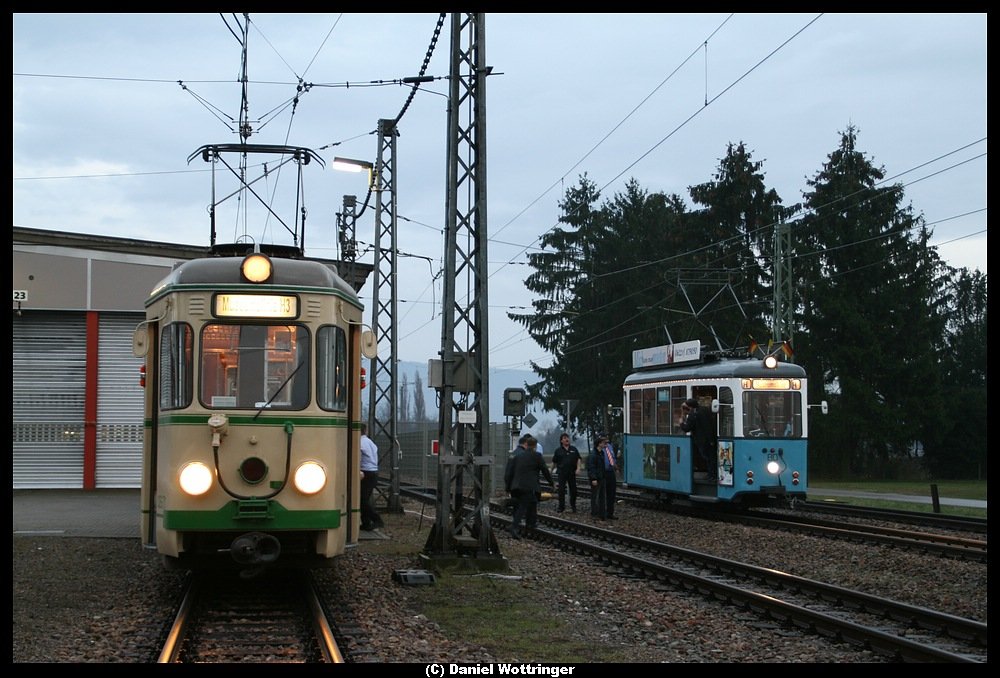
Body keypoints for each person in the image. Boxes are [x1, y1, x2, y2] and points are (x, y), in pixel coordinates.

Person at [504, 434, 554, 539]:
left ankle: (529, 526)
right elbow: (545, 470)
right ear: (535, 446)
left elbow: (510, 472)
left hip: (517, 485)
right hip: (528, 486)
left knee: (532, 502)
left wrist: (508, 487)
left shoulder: (518, 456)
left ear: (527, 444)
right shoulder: (537, 456)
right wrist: (551, 483)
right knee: (523, 506)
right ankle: (514, 526)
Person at [680, 398, 717, 476]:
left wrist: (681, 423)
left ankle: (711, 475)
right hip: (711, 438)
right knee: (711, 457)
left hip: (701, 440)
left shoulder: (693, 414)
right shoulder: (705, 409)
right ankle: (712, 474)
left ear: (690, 407)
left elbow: (687, 428)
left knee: (707, 458)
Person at [359, 423, 385, 532]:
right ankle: (366, 523)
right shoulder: (370, 442)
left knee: (362, 500)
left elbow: (358, 457)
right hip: (373, 472)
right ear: (366, 431)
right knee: (363, 499)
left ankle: (377, 519)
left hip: (366, 473)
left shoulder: (360, 442)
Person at [587, 435, 618, 520]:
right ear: (600, 442)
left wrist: (615, 467)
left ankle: (609, 513)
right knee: (599, 495)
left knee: (611, 493)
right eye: (604, 440)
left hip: (609, 472)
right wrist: (594, 477)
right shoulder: (595, 453)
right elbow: (592, 466)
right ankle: (597, 513)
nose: (606, 442)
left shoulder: (608, 448)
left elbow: (613, 458)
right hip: (602, 474)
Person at [551, 433, 582, 513]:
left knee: (574, 490)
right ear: (561, 441)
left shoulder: (574, 449)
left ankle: (573, 506)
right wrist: (550, 471)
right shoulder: (558, 451)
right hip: (562, 473)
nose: (566, 439)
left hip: (572, 473)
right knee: (561, 490)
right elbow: (554, 462)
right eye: (564, 438)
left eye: (567, 438)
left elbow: (578, 459)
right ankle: (561, 507)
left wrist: (578, 468)